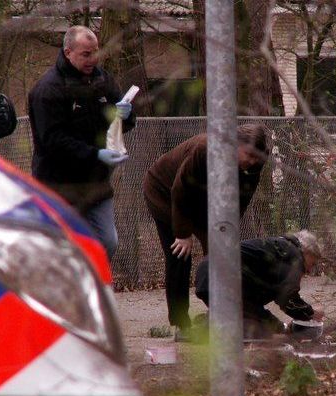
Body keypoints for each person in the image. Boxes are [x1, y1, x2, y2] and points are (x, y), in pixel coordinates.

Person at [143, 124, 269, 341]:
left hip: (205, 201)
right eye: (248, 155)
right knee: (179, 256)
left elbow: (241, 200)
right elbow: (179, 190)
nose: (252, 161)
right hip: (165, 192)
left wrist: (226, 231)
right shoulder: (205, 149)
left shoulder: (255, 163)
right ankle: (180, 324)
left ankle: (224, 316)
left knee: (221, 257)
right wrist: (182, 233)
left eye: (256, 157)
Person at [28, 25, 135, 261]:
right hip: (59, 186)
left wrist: (126, 116)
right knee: (64, 249)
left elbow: (118, 125)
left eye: (95, 52)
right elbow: (52, 141)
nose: (93, 59)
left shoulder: (103, 81)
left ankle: (92, 289)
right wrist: (94, 154)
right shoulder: (48, 90)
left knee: (107, 241)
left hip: (96, 184)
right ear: (68, 52)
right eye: (86, 54)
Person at [195, 230, 325, 339]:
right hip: (219, 279)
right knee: (257, 332)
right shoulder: (293, 255)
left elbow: (253, 307)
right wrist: (311, 313)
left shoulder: (281, 248)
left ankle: (211, 322)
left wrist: (282, 327)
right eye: (312, 264)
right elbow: (287, 298)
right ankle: (203, 329)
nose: (309, 270)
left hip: (210, 277)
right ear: (306, 251)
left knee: (258, 326)